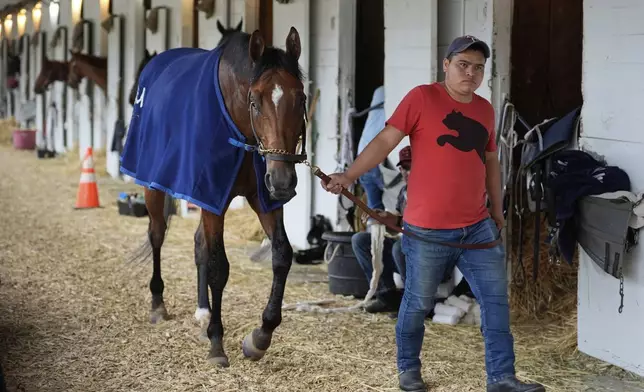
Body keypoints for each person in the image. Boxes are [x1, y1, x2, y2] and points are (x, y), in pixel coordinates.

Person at [320, 35, 545, 392]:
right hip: (427, 231)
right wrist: (348, 175)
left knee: (496, 302)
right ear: (446, 64)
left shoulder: (485, 109)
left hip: (477, 228)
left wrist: (497, 210)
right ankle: (408, 369)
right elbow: (384, 141)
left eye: (478, 68)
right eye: (463, 65)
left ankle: (501, 377)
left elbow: (490, 162)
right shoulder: (422, 98)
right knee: (418, 302)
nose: (470, 74)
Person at [351, 146, 412, 314]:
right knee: (360, 240)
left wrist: (396, 221)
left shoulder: (432, 191)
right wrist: (384, 217)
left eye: (410, 167)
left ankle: (413, 303)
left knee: (400, 247)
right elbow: (399, 221)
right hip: (408, 249)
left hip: (429, 253)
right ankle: (387, 296)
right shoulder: (404, 192)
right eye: (403, 168)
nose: (406, 172)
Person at [356, 86, 386, 210]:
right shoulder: (400, 92)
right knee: (396, 207)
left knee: (374, 211)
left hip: (362, 158)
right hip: (378, 160)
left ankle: (373, 226)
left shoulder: (379, 91)